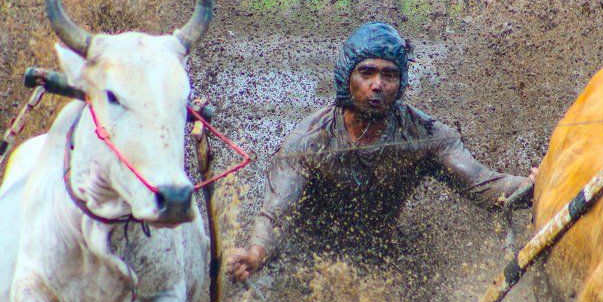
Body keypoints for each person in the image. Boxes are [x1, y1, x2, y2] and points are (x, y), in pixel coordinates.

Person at [227, 22, 536, 281]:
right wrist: (256, 254)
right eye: (367, 73)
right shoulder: (308, 141)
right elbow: (278, 213)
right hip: (303, 268)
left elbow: (483, 184)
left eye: (389, 75)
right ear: (346, 78)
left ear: (400, 83)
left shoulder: (424, 135)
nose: (377, 85)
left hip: (380, 267)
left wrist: (538, 184)